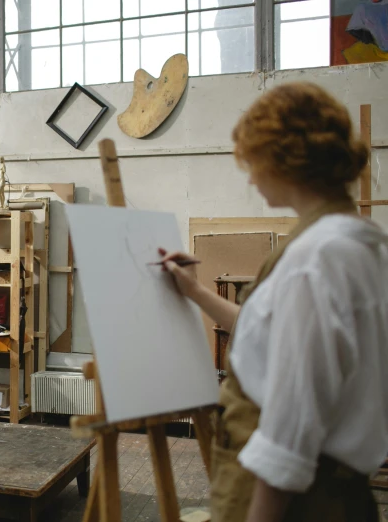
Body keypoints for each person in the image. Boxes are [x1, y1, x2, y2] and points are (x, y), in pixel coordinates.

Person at [158, 83, 388, 522]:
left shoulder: (315, 259)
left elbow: (291, 429)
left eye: (252, 161)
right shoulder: (359, 245)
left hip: (295, 500)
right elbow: (278, 337)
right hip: (334, 492)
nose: (250, 176)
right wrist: (195, 292)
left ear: (281, 158)